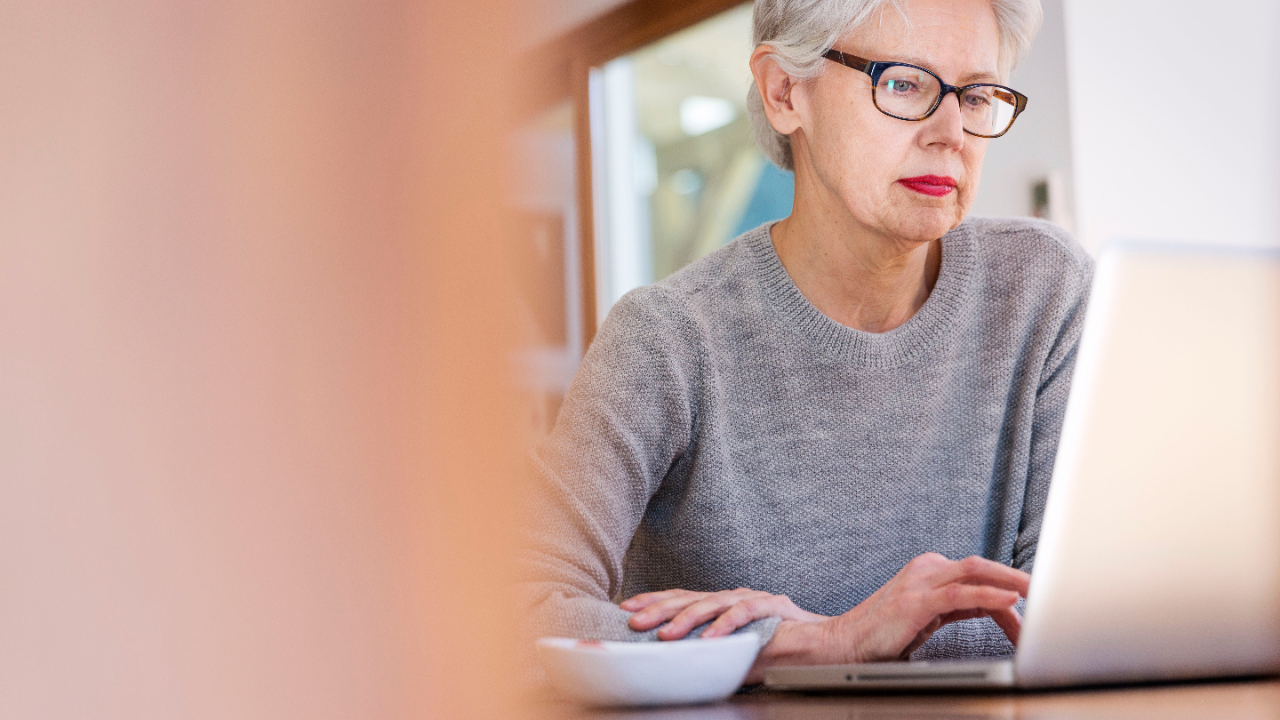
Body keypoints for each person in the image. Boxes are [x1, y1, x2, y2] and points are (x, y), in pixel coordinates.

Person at [520, 0, 1091, 685]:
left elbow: (1070, 612)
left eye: (975, 94)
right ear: (785, 92)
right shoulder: (666, 339)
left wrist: (866, 637)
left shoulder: (1043, 290)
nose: (951, 133)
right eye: (904, 84)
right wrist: (818, 643)